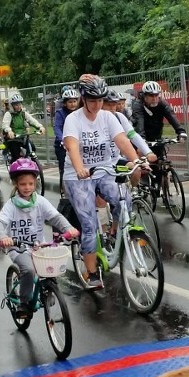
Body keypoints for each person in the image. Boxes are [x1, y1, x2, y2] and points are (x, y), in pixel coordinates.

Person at [63, 75, 143, 289]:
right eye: (92, 100)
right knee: (89, 225)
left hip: (104, 170)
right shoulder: (74, 119)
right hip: (78, 176)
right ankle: (91, 273)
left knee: (124, 197)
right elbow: (71, 146)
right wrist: (80, 168)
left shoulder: (107, 117)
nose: (97, 104)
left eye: (100, 99)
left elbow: (123, 141)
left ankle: (115, 230)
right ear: (83, 98)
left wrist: (136, 160)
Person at [0, 158, 79, 319]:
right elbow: (0, 222)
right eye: (23, 184)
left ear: (35, 183)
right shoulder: (11, 205)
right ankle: (24, 303)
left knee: (50, 265)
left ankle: (49, 289)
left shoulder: (40, 201)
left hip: (38, 246)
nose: (27, 187)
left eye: (30, 184)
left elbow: (56, 217)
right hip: (18, 248)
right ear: (16, 185)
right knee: (29, 270)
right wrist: (3, 236)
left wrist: (68, 228)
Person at [0, 92, 45, 162]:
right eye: (16, 105)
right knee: (16, 155)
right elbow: (5, 124)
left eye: (20, 104)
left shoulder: (23, 113)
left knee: (32, 148)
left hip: (23, 137)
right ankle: (14, 166)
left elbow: (32, 120)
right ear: (12, 106)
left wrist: (40, 127)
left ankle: (27, 160)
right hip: (13, 139)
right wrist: (9, 131)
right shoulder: (8, 114)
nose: (19, 106)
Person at [53, 87, 81, 191]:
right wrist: (63, 140)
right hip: (62, 146)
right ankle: (63, 190)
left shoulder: (79, 113)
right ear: (65, 103)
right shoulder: (60, 113)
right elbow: (57, 127)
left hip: (77, 144)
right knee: (64, 168)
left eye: (74, 101)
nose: (73, 104)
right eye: (70, 102)